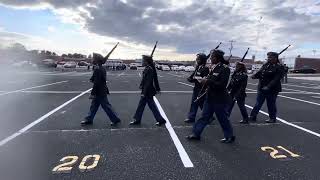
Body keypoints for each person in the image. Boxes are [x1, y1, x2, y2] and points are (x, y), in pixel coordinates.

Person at [186, 50, 235, 143]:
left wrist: (207, 81)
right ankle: (196, 134)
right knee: (204, 116)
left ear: (217, 58)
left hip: (219, 98)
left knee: (223, 119)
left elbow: (222, 84)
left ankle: (229, 136)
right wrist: (205, 80)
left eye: (212, 57)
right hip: (210, 97)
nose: (210, 59)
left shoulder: (224, 68)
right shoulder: (213, 68)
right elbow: (210, 80)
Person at [81, 53, 121, 126]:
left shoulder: (98, 69)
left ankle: (115, 119)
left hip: (100, 91)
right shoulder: (100, 68)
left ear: (97, 60)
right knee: (94, 106)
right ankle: (89, 119)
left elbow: (97, 83)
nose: (93, 60)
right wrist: (92, 79)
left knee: (106, 106)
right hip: (101, 90)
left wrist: (92, 93)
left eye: (94, 58)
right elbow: (96, 78)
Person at [130, 55, 166, 126]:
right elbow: (144, 79)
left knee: (149, 106)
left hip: (148, 92)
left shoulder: (149, 69)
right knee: (144, 106)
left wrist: (144, 92)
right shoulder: (147, 68)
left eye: (143, 60)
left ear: (146, 62)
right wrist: (141, 85)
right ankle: (138, 119)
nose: (142, 61)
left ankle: (138, 119)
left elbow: (148, 82)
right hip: (146, 91)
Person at [249, 52, 284, 123]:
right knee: (258, 103)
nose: (268, 59)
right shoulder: (266, 65)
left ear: (275, 58)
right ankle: (253, 116)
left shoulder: (279, 66)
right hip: (261, 88)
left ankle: (272, 118)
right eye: (268, 57)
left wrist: (268, 86)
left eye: (270, 57)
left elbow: (276, 79)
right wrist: (254, 76)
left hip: (272, 89)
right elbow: (261, 73)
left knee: (271, 104)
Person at [184, 53, 209, 123]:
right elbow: (193, 75)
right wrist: (190, 78)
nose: (197, 60)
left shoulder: (205, 69)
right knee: (196, 103)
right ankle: (192, 117)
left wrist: (195, 79)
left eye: (198, 59)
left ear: (202, 60)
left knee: (199, 103)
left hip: (202, 89)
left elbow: (204, 79)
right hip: (196, 88)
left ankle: (208, 116)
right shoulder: (198, 67)